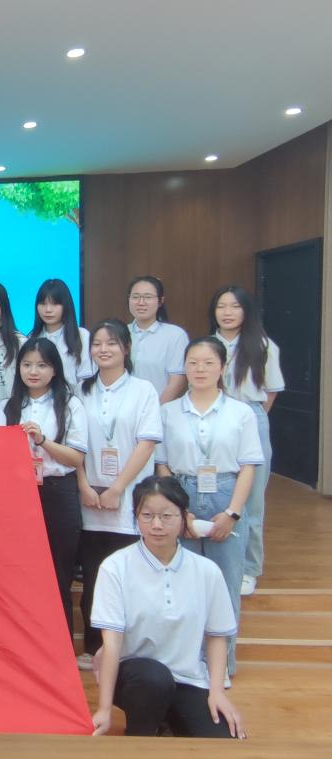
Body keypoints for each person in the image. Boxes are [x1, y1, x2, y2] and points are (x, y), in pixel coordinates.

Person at [90, 476, 245, 739]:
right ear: (135, 516)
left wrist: (217, 692)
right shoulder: (115, 567)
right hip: (134, 677)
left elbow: (217, 636)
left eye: (166, 516)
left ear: (184, 517)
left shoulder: (207, 571)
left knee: (226, 740)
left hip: (187, 679)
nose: (157, 525)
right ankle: (141, 736)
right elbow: (112, 643)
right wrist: (104, 709)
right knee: (153, 679)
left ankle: (168, 721)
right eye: (147, 515)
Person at [156, 337, 263, 675]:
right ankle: (188, 665)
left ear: (222, 367)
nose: (200, 369)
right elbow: (163, 464)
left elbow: (248, 467)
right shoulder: (168, 412)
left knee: (226, 584)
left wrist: (232, 513)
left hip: (225, 492)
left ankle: (221, 667)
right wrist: (179, 511)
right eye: (193, 363)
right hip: (181, 492)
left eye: (208, 363)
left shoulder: (241, 413)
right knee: (182, 583)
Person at [76, 319, 162, 669]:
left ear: (126, 348)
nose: (103, 349)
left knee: (132, 577)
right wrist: (83, 485)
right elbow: (73, 443)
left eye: (112, 343)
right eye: (97, 343)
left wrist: (117, 488)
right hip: (89, 499)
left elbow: (146, 444)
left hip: (127, 499)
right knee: (94, 576)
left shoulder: (143, 390)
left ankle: (130, 649)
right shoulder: (81, 391)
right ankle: (94, 647)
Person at [3, 337, 87, 638]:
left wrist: (42, 440)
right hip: (19, 494)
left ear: (54, 369)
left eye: (42, 365)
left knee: (58, 574)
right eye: (27, 364)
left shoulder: (70, 404)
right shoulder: (9, 406)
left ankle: (60, 646)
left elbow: (76, 458)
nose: (33, 371)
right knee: (22, 574)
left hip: (57, 491)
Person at [209, 285, 284, 597]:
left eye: (235, 306)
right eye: (221, 306)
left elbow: (271, 392)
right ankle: (216, 560)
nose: (227, 312)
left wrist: (250, 418)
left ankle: (249, 568)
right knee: (215, 492)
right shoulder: (207, 345)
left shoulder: (263, 345)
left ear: (246, 311)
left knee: (252, 500)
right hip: (213, 417)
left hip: (250, 416)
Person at [127, 276, 189, 403]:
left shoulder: (175, 335)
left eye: (148, 297)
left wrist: (155, 410)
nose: (141, 302)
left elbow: (177, 382)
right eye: (135, 297)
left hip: (161, 409)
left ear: (161, 301)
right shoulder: (120, 333)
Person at [32, 278, 93, 390]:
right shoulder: (31, 339)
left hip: (74, 397)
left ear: (66, 306)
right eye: (43, 303)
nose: (48, 309)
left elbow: (86, 379)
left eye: (55, 304)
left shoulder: (82, 335)